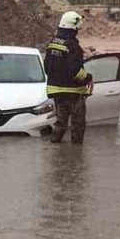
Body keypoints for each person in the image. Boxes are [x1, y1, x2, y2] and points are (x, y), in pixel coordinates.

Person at [44, 10, 92, 144]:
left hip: (57, 93)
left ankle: (54, 150)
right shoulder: (73, 46)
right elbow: (75, 71)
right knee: (78, 124)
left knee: (60, 124)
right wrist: (87, 78)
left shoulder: (52, 43)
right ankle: (76, 154)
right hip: (73, 93)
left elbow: (47, 67)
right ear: (74, 28)